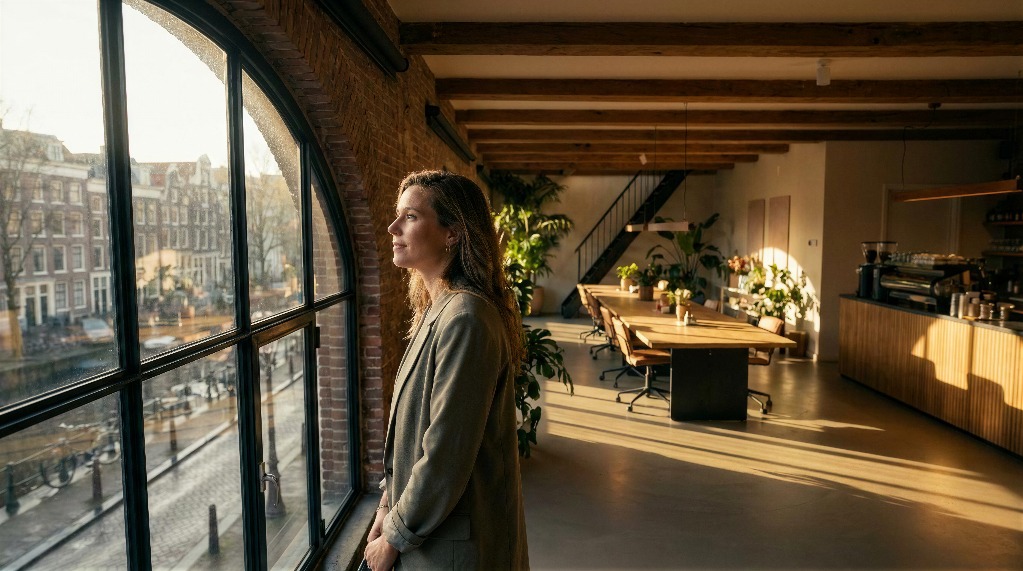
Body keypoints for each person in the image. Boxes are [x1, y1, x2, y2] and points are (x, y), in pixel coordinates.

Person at [363, 170, 529, 570]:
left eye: (411, 217)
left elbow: (445, 454)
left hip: (454, 551)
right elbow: (412, 435)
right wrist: (388, 505)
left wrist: (395, 536)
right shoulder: (436, 311)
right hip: (433, 538)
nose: (393, 227)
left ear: (452, 232)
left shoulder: (465, 318)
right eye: (397, 215)